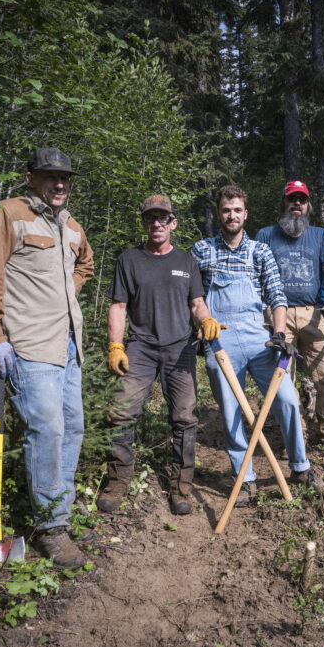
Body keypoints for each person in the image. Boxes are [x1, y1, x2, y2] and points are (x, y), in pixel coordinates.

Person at [0, 147, 92, 569]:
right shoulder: (8, 214)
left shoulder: (71, 226)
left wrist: (62, 296)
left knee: (72, 427)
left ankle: (61, 513)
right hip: (29, 345)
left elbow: (86, 266)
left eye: (65, 178)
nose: (59, 184)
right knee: (46, 429)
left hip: (68, 346)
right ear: (31, 178)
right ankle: (51, 529)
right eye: (49, 176)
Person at [191, 185, 322, 507]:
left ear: (245, 213)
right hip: (219, 337)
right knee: (232, 412)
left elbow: (277, 297)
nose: (231, 215)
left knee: (288, 401)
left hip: (259, 338)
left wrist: (279, 334)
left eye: (237, 210)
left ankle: (300, 467)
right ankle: (245, 478)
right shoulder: (202, 250)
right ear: (219, 214)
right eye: (226, 210)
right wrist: (205, 322)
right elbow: (193, 297)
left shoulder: (260, 252)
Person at [97, 195, 224, 516]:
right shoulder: (129, 259)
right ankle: (118, 480)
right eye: (150, 218)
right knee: (121, 413)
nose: (157, 224)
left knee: (184, 417)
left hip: (179, 349)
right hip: (140, 347)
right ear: (143, 223)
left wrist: (206, 319)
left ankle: (181, 488)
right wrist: (115, 346)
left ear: (173, 223)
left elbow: (197, 303)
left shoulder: (186, 262)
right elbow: (118, 306)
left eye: (163, 218)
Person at [255, 180, 324, 452]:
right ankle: (295, 436)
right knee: (284, 380)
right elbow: (256, 274)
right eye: (291, 199)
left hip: (313, 314)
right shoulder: (265, 235)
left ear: (308, 206)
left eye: (302, 200)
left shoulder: (319, 235)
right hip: (277, 315)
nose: (297, 203)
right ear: (283, 203)